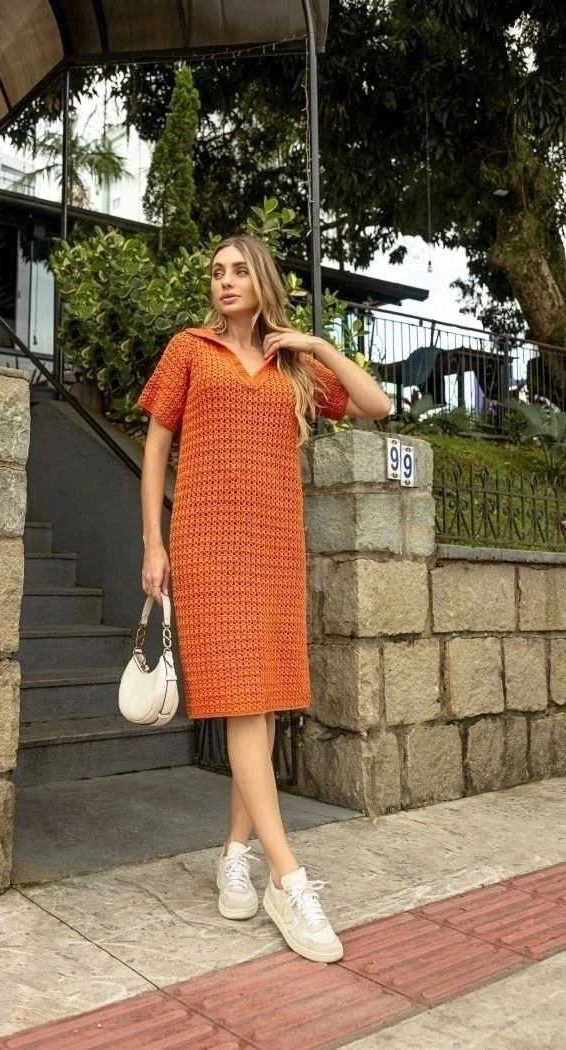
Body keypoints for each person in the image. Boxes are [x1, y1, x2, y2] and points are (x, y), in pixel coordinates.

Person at [137, 234, 391, 963]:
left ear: (263, 281)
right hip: (208, 544)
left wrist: (315, 342)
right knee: (245, 699)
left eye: (239, 270)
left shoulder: (293, 365)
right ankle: (288, 877)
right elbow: (155, 447)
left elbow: (375, 405)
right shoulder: (189, 351)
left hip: (275, 544)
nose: (224, 281)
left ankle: (233, 855)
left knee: (267, 701)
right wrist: (153, 543)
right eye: (216, 271)